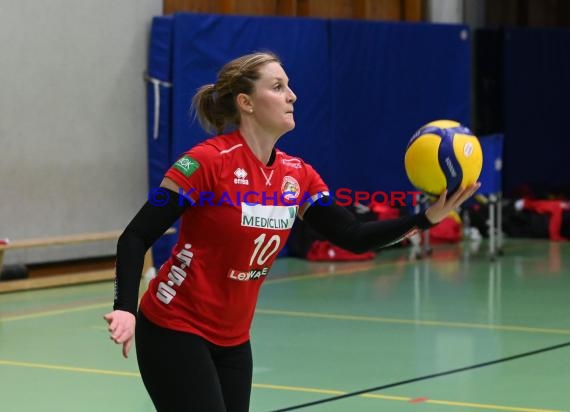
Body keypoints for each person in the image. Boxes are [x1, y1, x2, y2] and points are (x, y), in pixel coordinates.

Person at [104, 51, 480, 411]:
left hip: (234, 339)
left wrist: (425, 219)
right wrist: (125, 309)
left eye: (289, 85)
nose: (292, 95)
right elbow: (135, 235)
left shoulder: (297, 176)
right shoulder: (205, 163)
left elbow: (352, 235)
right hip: (174, 327)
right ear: (246, 103)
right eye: (278, 86)